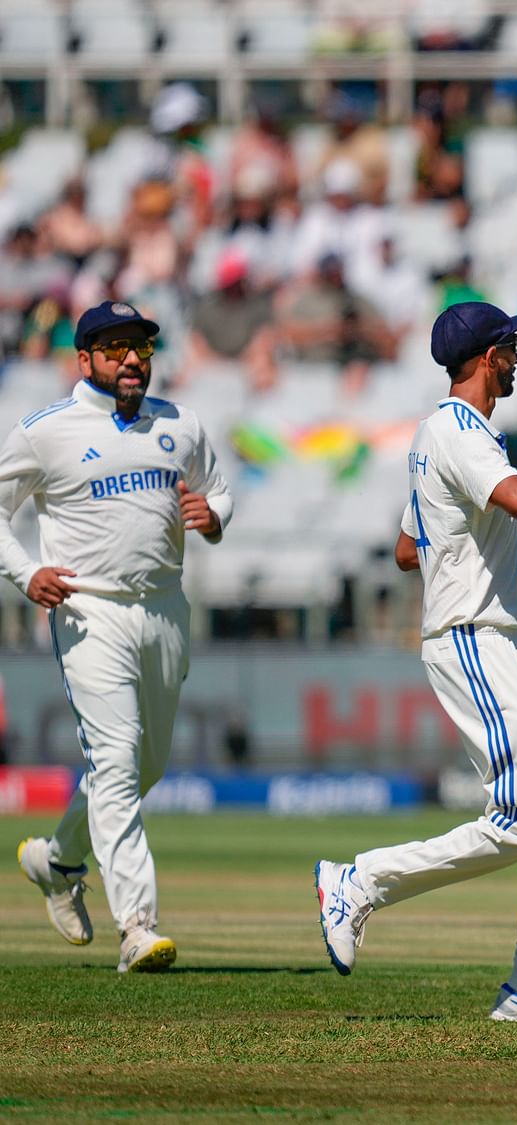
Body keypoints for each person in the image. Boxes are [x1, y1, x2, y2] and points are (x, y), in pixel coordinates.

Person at [313, 302, 517, 1021]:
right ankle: (360, 880)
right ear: (490, 356)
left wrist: (511, 531)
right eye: (511, 346)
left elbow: (413, 548)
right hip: (473, 635)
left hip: (502, 636)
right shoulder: (457, 430)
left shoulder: (457, 437)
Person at [7, 302, 233, 974]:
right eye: (114, 347)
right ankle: (137, 924)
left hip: (164, 607)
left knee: (144, 766)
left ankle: (57, 860)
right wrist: (24, 572)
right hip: (88, 608)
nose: (132, 358)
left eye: (140, 345)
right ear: (85, 359)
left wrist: (212, 515)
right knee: (115, 761)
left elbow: (218, 492)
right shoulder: (47, 430)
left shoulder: (179, 424)